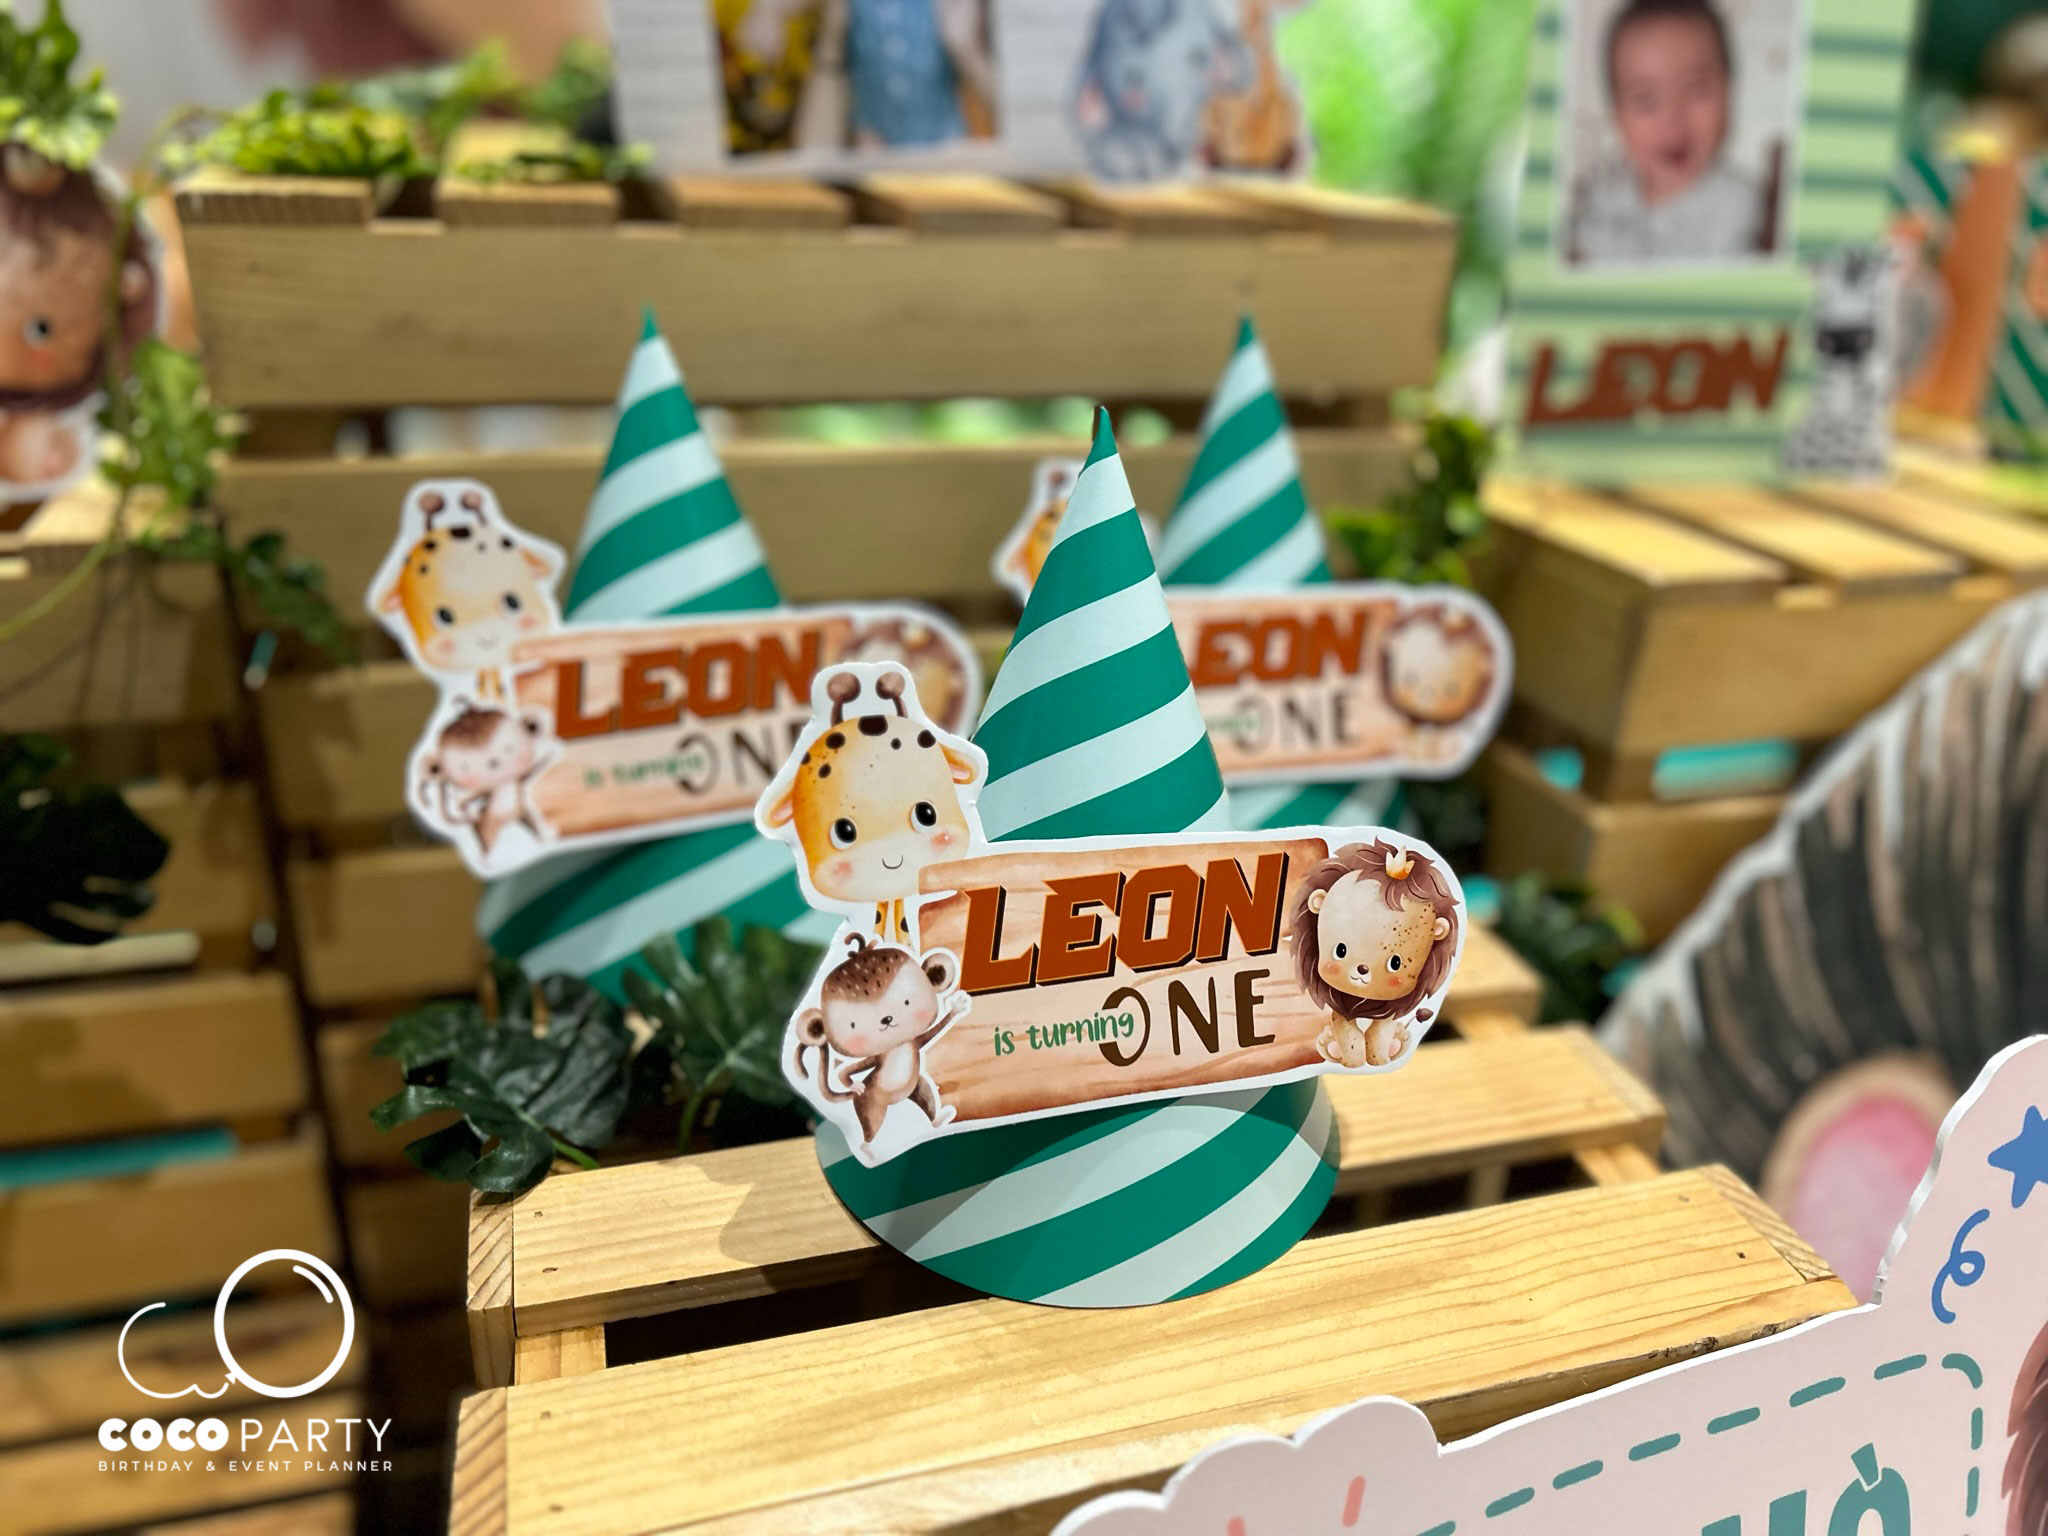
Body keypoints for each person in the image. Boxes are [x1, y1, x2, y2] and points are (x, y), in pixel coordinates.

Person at [1568, 0, 1766, 265]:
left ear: (1729, 92)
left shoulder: (1744, 209)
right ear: (1617, 116)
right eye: (1646, 100)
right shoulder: (1600, 196)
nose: (1673, 120)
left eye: (1696, 89)